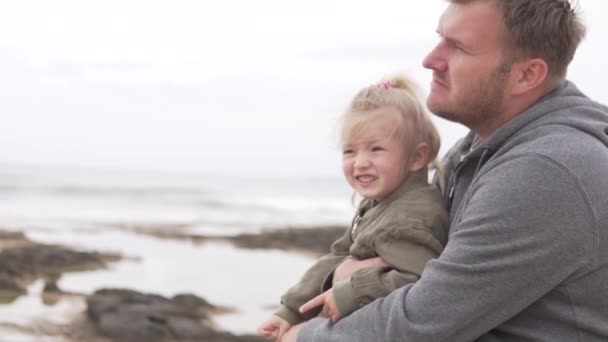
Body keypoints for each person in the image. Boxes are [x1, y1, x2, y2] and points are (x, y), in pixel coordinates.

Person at [282, 0, 608, 341]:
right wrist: (348, 273)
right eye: (441, 38)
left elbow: (422, 323)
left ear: (526, 75)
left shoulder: (549, 170)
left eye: (459, 47)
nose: (431, 60)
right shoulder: (474, 152)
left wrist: (304, 336)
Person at [257, 75, 449, 341]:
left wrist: (350, 292)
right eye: (349, 151)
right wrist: (290, 312)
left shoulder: (409, 216)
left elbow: (420, 284)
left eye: (376, 149)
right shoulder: (381, 204)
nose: (360, 162)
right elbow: (336, 259)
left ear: (416, 156)